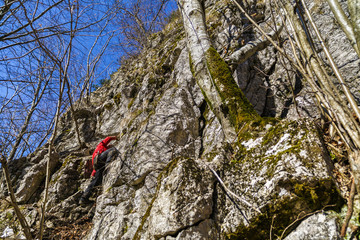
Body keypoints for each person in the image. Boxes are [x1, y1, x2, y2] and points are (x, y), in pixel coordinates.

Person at [80, 136, 119, 204]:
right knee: (113, 150)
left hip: (97, 165)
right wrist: (115, 137)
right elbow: (108, 138)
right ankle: (108, 165)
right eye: (108, 146)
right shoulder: (101, 146)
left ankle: (84, 198)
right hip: (99, 158)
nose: (109, 146)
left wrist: (92, 175)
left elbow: (94, 170)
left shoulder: (102, 151)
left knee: (95, 181)